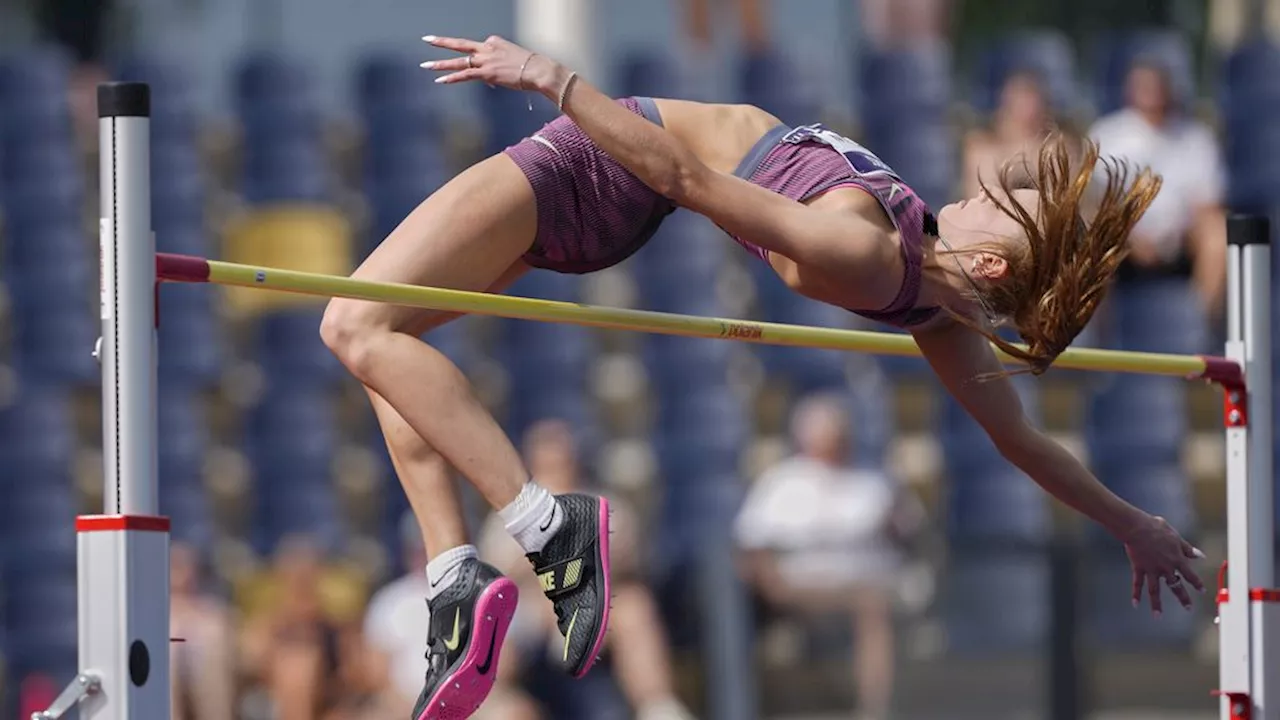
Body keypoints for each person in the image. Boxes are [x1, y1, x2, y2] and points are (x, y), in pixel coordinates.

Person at [319, 32, 1206, 719]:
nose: (979, 188)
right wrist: (1135, 525)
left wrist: (550, 77)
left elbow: (683, 172)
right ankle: (453, 577)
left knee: (350, 321)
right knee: (383, 343)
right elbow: (1019, 440)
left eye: (1000, 207)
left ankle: (547, 524)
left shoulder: (867, 254)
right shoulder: (932, 303)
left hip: (604, 162)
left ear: (993, 269)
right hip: (622, 192)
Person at [474, 420, 696, 720]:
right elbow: (496, 577)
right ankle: (493, 707)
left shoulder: (601, 502)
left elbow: (628, 559)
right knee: (496, 625)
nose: (556, 466)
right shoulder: (510, 514)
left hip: (595, 604)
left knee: (635, 607)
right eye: (547, 460)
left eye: (561, 458)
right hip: (534, 614)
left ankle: (658, 708)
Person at [736, 393, 920, 720]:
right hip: (797, 588)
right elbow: (752, 545)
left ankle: (874, 710)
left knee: (873, 602)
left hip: (864, 584)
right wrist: (772, 586)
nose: (833, 438)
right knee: (869, 600)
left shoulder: (872, 482)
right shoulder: (781, 482)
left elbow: (909, 534)